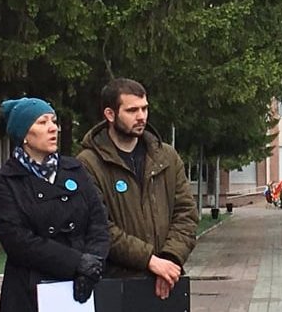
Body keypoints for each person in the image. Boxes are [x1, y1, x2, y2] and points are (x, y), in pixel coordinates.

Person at [77, 78, 199, 300]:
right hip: (117, 285)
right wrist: (150, 261)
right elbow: (99, 226)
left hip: (167, 281)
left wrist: (170, 259)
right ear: (110, 114)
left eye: (144, 108)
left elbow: (186, 214)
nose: (141, 116)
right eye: (132, 110)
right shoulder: (88, 163)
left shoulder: (167, 157)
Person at [0, 97, 110, 312]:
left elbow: (99, 222)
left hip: (81, 289)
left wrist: (92, 264)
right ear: (24, 134)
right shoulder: (4, 181)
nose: (53, 128)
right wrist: (75, 262)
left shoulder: (75, 170)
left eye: (53, 121)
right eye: (42, 122)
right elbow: (17, 241)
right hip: (30, 292)